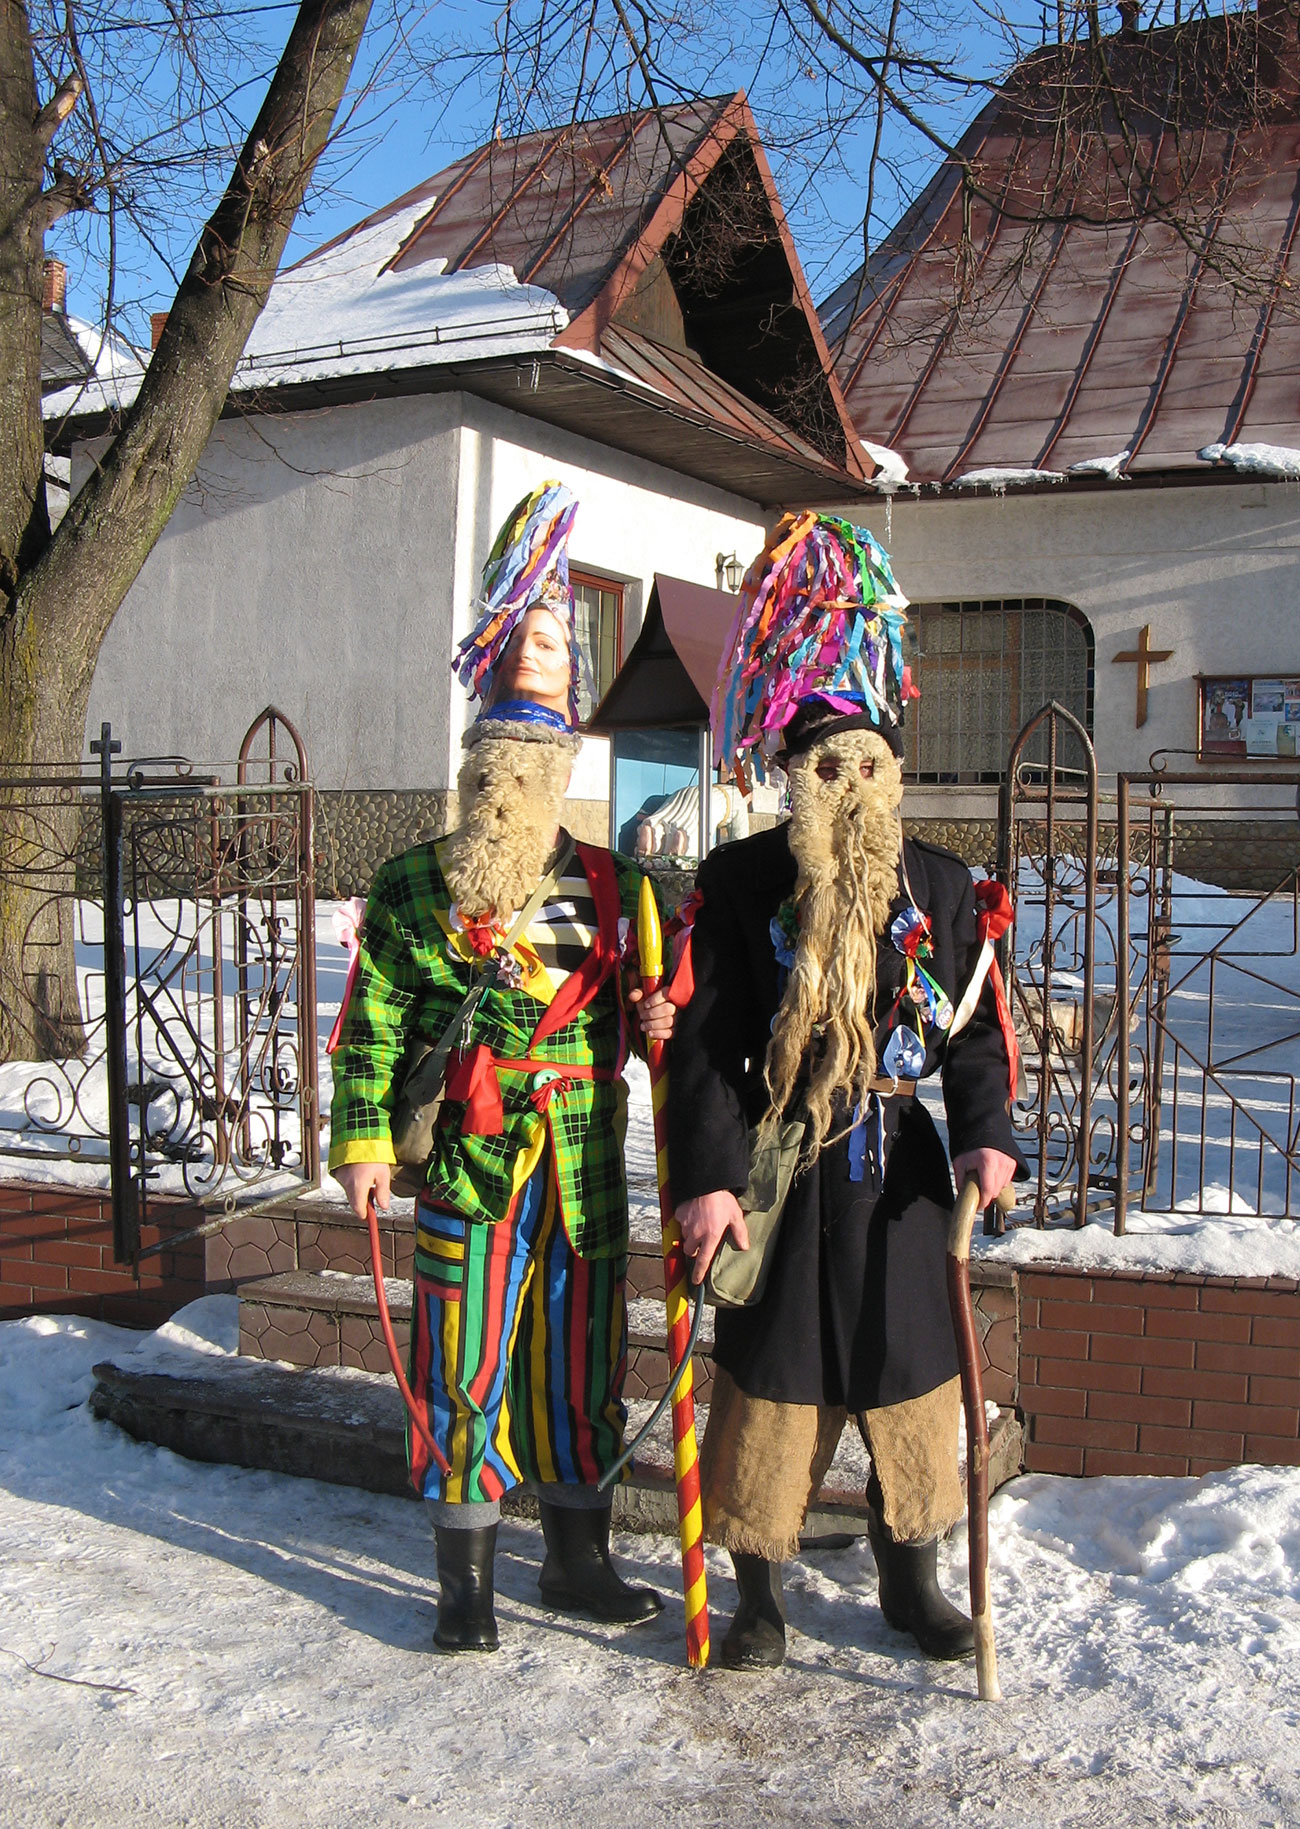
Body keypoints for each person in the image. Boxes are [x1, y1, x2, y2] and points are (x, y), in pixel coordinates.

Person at [665, 512, 1024, 1671]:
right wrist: (707, 1180)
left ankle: (912, 1584)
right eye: (827, 765)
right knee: (770, 1385)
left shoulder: (942, 886)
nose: (851, 781)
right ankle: (759, 1595)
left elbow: (976, 1033)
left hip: (898, 1175)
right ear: (794, 775)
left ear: (891, 769)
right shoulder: (739, 883)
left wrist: (987, 1137)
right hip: (776, 1173)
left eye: (867, 762)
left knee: (909, 1379)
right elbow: (703, 1048)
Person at [329, 482, 671, 1653]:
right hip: (468, 1162)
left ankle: (576, 1559)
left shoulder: (620, 886)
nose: (514, 784)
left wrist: (661, 1018)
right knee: (459, 1362)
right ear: (477, 753)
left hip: (581, 1166)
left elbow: (655, 1023)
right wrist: (363, 1141)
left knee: (581, 1360)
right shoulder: (412, 883)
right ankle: (464, 1581)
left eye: (557, 640)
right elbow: (372, 1024)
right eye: (499, 763)